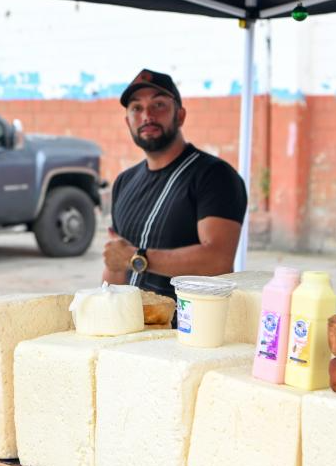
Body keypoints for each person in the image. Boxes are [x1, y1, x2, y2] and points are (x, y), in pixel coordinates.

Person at [102, 69, 248, 303]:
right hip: (129, 328)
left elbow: (218, 260)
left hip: (186, 331)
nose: (147, 115)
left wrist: (137, 258)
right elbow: (116, 263)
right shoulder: (124, 182)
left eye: (159, 105)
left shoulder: (215, 176)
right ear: (127, 121)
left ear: (180, 116)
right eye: (136, 108)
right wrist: (103, 311)